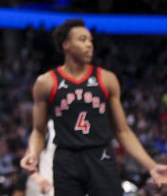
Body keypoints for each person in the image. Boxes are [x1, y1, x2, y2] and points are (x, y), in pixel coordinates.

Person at [20, 18, 167, 195]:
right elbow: (38, 131)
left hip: (101, 155)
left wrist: (151, 166)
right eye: (82, 40)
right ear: (66, 45)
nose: (89, 45)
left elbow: (123, 132)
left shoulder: (106, 79)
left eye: (90, 40)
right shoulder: (46, 82)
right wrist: (33, 154)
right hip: (66, 159)